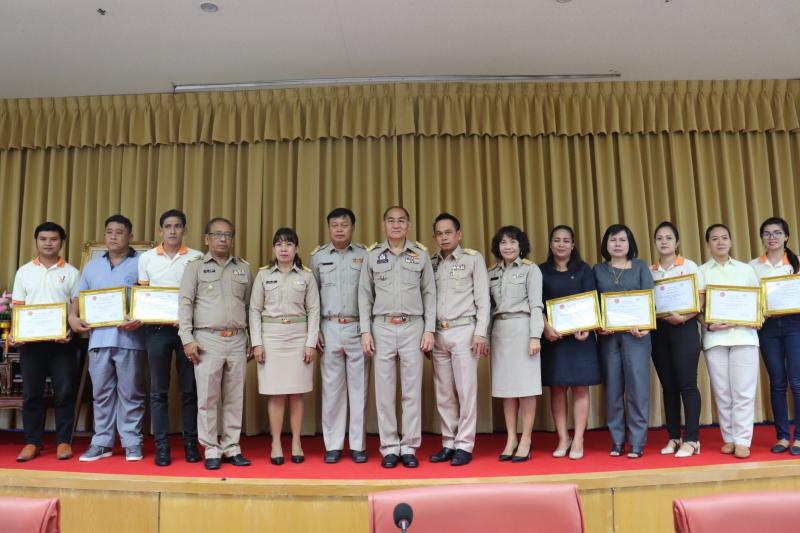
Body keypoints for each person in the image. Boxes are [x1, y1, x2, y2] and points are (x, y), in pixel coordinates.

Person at [359, 206, 436, 468]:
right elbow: (364, 295)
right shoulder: (372, 255)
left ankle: (410, 446)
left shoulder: (420, 254)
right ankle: (390, 447)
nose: (396, 225)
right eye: (391, 221)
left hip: (413, 326)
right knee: (384, 392)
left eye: (401, 221)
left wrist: (429, 329)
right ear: (384, 225)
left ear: (409, 225)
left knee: (412, 390)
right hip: (381, 326)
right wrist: (365, 331)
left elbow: (429, 293)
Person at [68, 214, 146, 462]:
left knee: (131, 393)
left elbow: (151, 297)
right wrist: (73, 317)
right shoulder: (92, 266)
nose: (113, 236)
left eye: (119, 232)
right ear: (104, 236)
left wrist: (140, 317)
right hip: (98, 340)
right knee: (101, 394)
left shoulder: (142, 263)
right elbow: (79, 298)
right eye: (109, 232)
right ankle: (102, 442)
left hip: (130, 339)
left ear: (130, 236)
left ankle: (132, 442)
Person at [178, 217, 253, 470]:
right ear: (206, 239)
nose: (223, 239)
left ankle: (232, 447)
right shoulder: (195, 267)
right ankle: (211, 448)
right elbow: (185, 304)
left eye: (228, 235)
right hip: (207, 340)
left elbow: (250, 306)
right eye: (217, 234)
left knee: (234, 397)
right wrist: (187, 339)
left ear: (233, 239)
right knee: (208, 398)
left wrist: (251, 339)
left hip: (237, 339)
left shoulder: (243, 268)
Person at [137, 209, 203, 466]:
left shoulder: (197, 257)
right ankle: (162, 447)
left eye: (177, 226)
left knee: (189, 390)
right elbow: (143, 295)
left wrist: (187, 321)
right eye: (168, 226)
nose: (173, 231)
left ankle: (191, 444)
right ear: (160, 230)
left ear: (185, 230)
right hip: (156, 330)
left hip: (188, 331)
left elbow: (201, 296)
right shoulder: (146, 258)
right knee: (158, 392)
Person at [250, 228, 320, 465]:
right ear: (273, 248)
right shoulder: (263, 275)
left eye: (289, 244)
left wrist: (310, 343)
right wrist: (257, 343)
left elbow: (314, 311)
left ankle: (297, 442)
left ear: (296, 248)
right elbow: (254, 310)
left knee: (296, 393)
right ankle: (276, 443)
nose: (283, 249)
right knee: (276, 393)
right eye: (279, 244)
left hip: (298, 338)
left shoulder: (306, 276)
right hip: (271, 338)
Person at [11, 222, 80, 462]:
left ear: (61, 242)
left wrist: (70, 331)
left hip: (62, 342)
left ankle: (63, 441)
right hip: (31, 344)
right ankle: (32, 442)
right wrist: (16, 332)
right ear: (36, 241)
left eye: (53, 239)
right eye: (43, 239)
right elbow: (18, 307)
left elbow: (76, 308)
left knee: (64, 392)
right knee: (31, 393)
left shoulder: (72, 272)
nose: (48, 243)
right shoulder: (24, 272)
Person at [428, 213, 490, 467]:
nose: (444, 237)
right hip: (438, 333)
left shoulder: (472, 259)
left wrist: (480, 332)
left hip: (464, 330)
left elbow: (483, 299)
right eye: (439, 233)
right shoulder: (431, 263)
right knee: (444, 393)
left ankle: (464, 444)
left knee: (466, 391)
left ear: (458, 234)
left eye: (448, 232)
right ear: (435, 237)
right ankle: (449, 442)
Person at [309, 208, 369, 464]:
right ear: (328, 228)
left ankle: (357, 445)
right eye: (335, 225)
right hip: (329, 328)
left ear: (353, 228)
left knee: (359, 390)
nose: (339, 229)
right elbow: (311, 297)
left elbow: (371, 294)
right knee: (332, 391)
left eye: (344, 224)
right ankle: (333, 445)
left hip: (357, 327)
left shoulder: (365, 255)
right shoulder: (318, 257)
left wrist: (367, 330)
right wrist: (315, 331)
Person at [698, 223, 760, 459]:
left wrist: (756, 318)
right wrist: (708, 324)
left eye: (724, 237)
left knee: (743, 391)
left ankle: (743, 440)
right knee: (723, 392)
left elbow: (758, 302)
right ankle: (729, 438)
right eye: (714, 238)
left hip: (745, 336)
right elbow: (697, 309)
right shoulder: (701, 272)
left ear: (731, 241)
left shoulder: (746, 270)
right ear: (708, 244)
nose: (720, 242)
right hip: (715, 338)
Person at [540, 225, 601, 461]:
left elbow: (592, 301)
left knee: (580, 387)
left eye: (566, 240)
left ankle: (578, 438)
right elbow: (536, 304)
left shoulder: (584, 269)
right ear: (550, 244)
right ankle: (563, 437)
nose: (561, 244)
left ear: (573, 245)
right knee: (557, 388)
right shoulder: (541, 271)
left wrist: (587, 327)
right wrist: (545, 326)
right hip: (554, 338)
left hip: (580, 339)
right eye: (557, 240)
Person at [593, 224, 653, 459]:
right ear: (606, 244)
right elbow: (593, 303)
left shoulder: (640, 267)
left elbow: (650, 299)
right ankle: (617, 440)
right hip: (608, 338)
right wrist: (599, 323)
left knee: (638, 389)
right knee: (613, 390)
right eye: (612, 240)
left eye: (622, 240)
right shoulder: (598, 269)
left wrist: (645, 325)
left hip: (637, 337)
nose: (617, 244)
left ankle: (637, 442)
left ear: (630, 244)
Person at [488, 225, 544, 463]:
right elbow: (488, 308)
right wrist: (485, 337)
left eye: (513, 242)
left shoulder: (531, 270)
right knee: (507, 390)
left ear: (521, 245)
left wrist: (535, 336)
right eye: (503, 242)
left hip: (523, 330)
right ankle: (511, 438)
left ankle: (526, 439)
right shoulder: (491, 273)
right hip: (500, 332)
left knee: (526, 388)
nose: (508, 247)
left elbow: (536, 305)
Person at [650, 221, 704, 458]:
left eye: (669, 238)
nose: (664, 242)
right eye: (659, 238)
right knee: (668, 386)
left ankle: (692, 440)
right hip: (659, 331)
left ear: (677, 242)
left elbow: (700, 300)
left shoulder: (689, 266)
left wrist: (683, 317)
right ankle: (673, 436)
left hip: (685, 328)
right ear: (655, 242)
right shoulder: (649, 271)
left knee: (687, 384)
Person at [749, 217, 800, 455]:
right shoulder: (753, 266)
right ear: (762, 238)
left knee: (797, 382)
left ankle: (798, 437)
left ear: (786, 236)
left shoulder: (797, 263)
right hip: (767, 327)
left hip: (795, 324)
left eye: (777, 233)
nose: (772, 238)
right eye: (767, 233)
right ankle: (782, 436)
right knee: (777, 382)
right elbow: (748, 298)